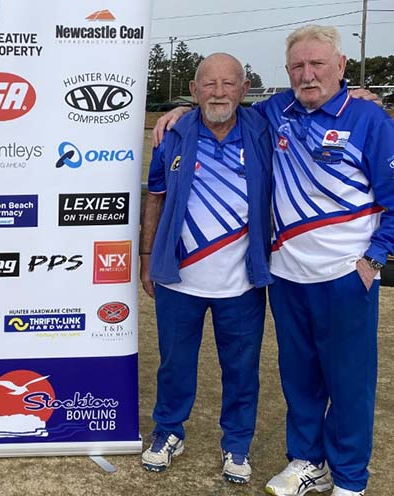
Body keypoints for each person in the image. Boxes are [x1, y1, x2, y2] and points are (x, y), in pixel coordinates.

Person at [153, 25, 394, 496]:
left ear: (341, 66)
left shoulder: (368, 118)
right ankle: (307, 463)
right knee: (299, 380)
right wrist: (181, 111)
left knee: (349, 384)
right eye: (298, 66)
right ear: (287, 72)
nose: (308, 75)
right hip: (285, 276)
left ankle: (349, 479)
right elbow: (218, 107)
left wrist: (374, 259)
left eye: (318, 64)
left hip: (346, 276)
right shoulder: (275, 111)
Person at [139, 53, 273, 485]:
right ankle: (168, 432)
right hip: (180, 281)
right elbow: (155, 196)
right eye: (209, 84)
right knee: (174, 366)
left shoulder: (264, 128)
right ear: (193, 91)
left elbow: (312, 99)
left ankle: (237, 443)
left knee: (241, 370)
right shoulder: (173, 133)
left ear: (245, 88)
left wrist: (357, 93)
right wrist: (147, 256)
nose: (219, 92)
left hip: (242, 283)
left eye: (228, 83)